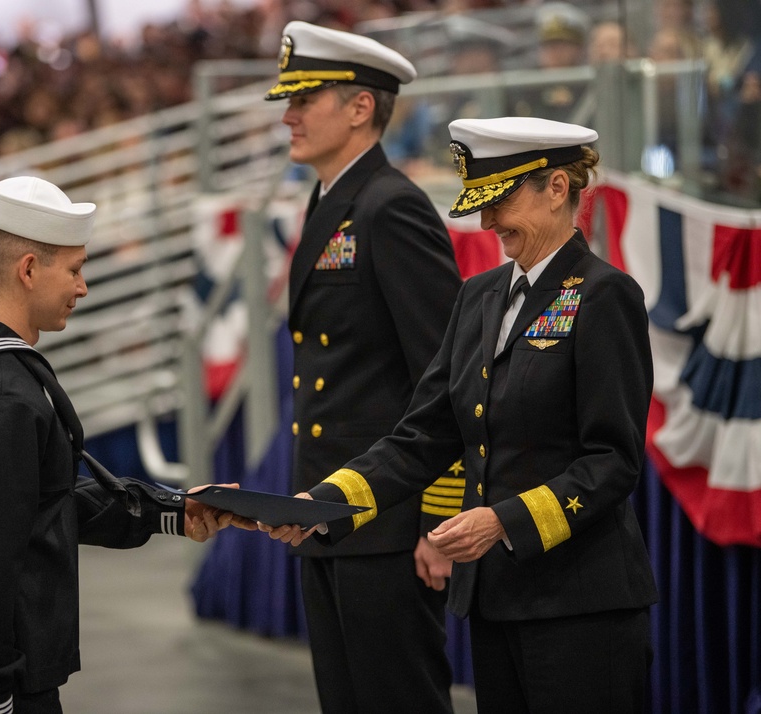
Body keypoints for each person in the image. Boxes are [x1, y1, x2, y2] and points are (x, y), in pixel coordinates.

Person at [264, 117, 660, 713]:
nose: (486, 222)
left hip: (580, 602)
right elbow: (422, 436)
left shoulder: (605, 295)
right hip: (494, 598)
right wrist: (324, 504)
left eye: (500, 200)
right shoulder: (479, 297)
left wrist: (502, 522)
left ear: (557, 188)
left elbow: (613, 461)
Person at [0, 175, 252, 714]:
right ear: (29, 270)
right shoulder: (0, 397)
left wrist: (171, 509)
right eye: (75, 270)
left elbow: (39, 502)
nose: (83, 287)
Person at [263, 21, 463, 714]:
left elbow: (446, 374)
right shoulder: (331, 201)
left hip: (386, 518)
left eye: (305, 99)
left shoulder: (391, 206)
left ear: (359, 108)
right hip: (331, 513)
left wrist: (438, 521)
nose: (286, 114)